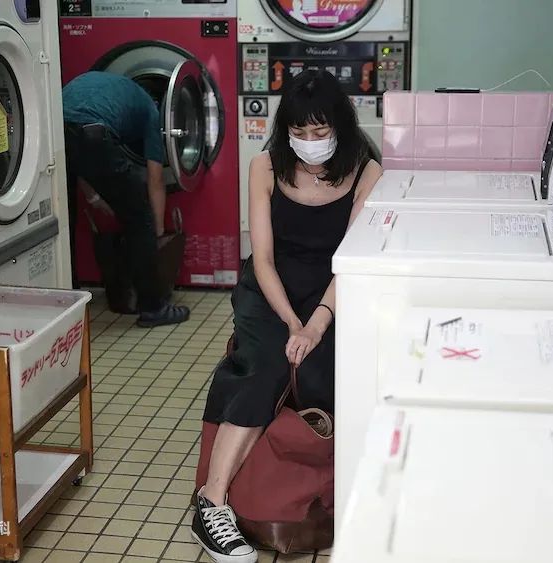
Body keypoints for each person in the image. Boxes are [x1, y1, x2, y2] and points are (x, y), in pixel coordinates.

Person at [191, 69, 382, 562]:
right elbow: (263, 258)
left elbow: (350, 261)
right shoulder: (265, 166)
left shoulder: (366, 172)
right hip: (270, 290)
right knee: (269, 364)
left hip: (333, 290)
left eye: (320, 131)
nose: (310, 142)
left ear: (340, 126)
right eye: (299, 132)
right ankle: (211, 502)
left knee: (328, 370)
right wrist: (293, 324)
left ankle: (337, 495)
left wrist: (317, 323)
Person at [62, 71, 190, 328]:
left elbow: (77, 155)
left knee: (65, 217)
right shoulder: (150, 113)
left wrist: (93, 196)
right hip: (94, 136)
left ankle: (68, 297)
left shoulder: (110, 86)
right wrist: (156, 233)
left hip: (54, 130)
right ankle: (154, 309)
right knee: (139, 218)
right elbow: (155, 180)